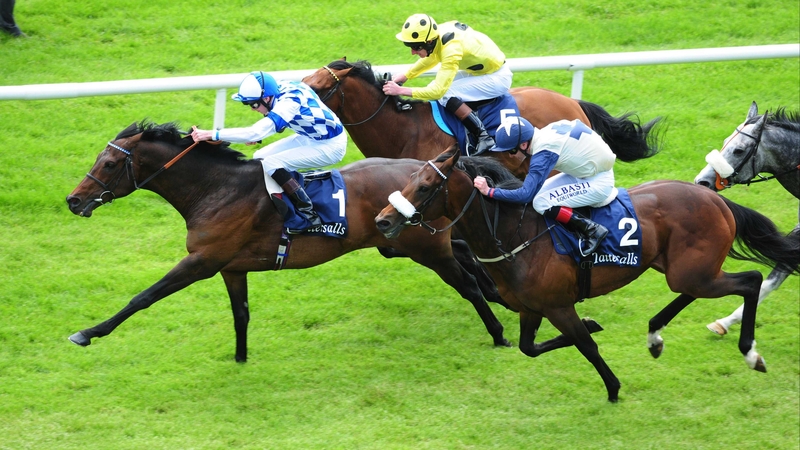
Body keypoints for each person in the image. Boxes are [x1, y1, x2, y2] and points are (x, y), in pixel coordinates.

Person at [191, 71, 347, 233]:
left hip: (331, 146)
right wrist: (257, 135)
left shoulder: (288, 104)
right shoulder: (278, 89)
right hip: (311, 136)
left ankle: (308, 215)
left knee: (272, 163)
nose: (252, 109)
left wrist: (211, 134)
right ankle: (281, 200)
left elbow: (256, 131)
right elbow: (279, 121)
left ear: (266, 98)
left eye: (253, 104)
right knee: (260, 157)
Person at [473, 117, 615, 256]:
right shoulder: (545, 132)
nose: (510, 156)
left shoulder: (544, 151)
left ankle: (592, 230)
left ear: (523, 145)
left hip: (599, 182)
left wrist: (490, 191)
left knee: (540, 203)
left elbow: (525, 195)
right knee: (539, 195)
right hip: (586, 172)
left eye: (511, 151)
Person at [382, 13, 512, 154]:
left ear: (429, 41)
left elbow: (438, 91)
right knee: (436, 87)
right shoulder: (437, 35)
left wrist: (400, 91)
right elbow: (431, 57)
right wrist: (405, 75)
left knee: (446, 93)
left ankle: (483, 136)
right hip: (484, 72)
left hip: (497, 78)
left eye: (416, 47)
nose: (413, 52)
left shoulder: (451, 48)